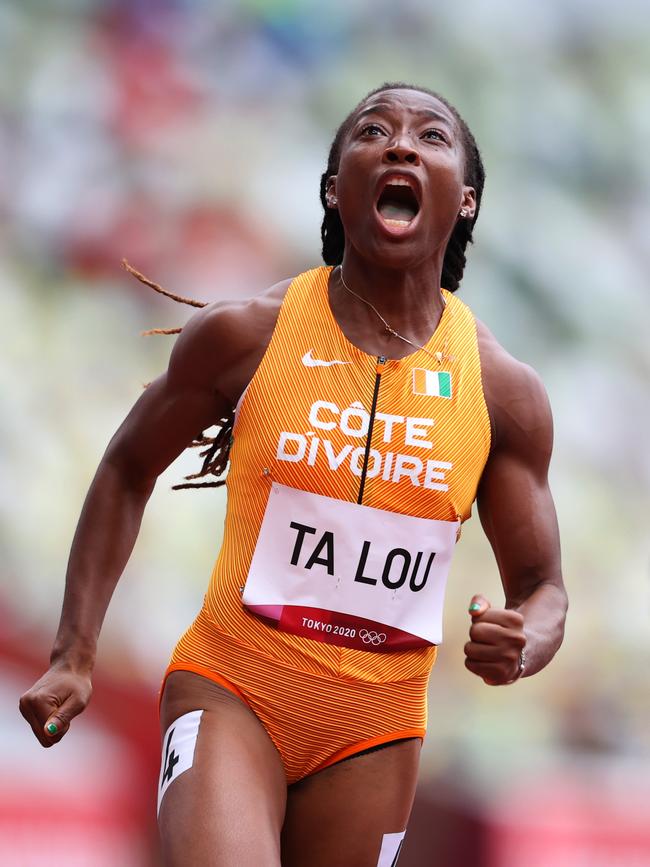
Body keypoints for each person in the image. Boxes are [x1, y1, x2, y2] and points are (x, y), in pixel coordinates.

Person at [19, 82, 568, 866]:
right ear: (334, 189)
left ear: (468, 201)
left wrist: (526, 639)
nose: (402, 145)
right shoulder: (246, 336)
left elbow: (544, 587)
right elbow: (126, 468)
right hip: (231, 687)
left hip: (376, 733)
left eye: (431, 137)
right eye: (373, 131)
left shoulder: (504, 392)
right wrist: (74, 653)